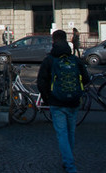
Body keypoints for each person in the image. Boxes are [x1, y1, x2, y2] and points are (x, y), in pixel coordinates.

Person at [37, 30, 90, 173]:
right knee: (70, 132)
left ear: (53, 41)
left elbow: (41, 82)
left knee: (62, 134)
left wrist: (47, 98)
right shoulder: (75, 59)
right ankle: (68, 161)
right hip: (74, 101)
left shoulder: (49, 60)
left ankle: (70, 165)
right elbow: (86, 79)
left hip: (56, 103)